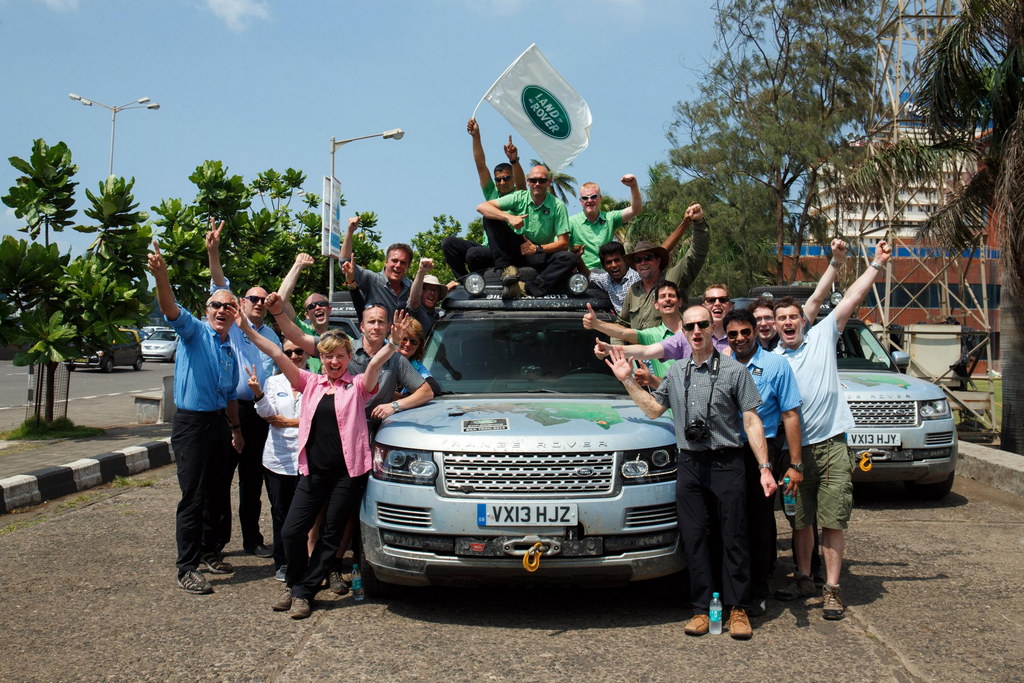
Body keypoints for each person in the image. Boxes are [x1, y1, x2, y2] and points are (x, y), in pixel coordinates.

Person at [604, 306, 776, 640]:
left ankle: (738, 608)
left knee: (734, 535)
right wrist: (627, 379)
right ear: (683, 332)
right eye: (690, 326)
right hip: (690, 464)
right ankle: (701, 609)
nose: (696, 331)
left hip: (728, 462)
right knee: (694, 537)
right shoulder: (676, 371)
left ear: (712, 328)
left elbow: (752, 420)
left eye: (702, 325)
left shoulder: (734, 371)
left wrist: (764, 468)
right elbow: (654, 409)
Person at [237, 310, 410, 619]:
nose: (334, 361)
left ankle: (303, 592)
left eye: (341, 356)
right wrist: (247, 330)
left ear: (348, 358)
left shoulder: (357, 386)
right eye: (329, 356)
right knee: (292, 532)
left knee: (331, 537)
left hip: (347, 474)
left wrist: (392, 344)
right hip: (313, 472)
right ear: (322, 358)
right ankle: (295, 583)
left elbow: (373, 366)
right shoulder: (310, 382)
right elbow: (276, 352)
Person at [774, 239, 893, 620]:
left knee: (833, 521)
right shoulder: (773, 361)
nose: (788, 323)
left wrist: (876, 264)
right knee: (800, 521)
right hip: (795, 454)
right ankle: (803, 579)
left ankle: (832, 589)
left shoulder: (823, 335)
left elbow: (851, 298)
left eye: (793, 317)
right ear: (774, 326)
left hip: (832, 446)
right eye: (781, 319)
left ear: (802, 321)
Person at [147, 241, 243, 595]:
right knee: (194, 495)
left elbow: (230, 396)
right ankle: (186, 567)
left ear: (235, 314)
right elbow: (169, 308)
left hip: (218, 423)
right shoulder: (194, 332)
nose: (222, 310)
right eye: (216, 305)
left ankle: (209, 551)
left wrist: (236, 430)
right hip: (191, 424)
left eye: (229, 306)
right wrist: (161, 277)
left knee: (218, 492)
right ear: (207, 310)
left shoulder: (229, 349)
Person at [722, 308, 803, 616]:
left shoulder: (776, 365)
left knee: (758, 523)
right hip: (727, 450)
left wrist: (795, 464)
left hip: (762, 450)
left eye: (745, 332)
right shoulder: (721, 365)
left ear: (755, 331)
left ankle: (757, 591)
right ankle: (731, 588)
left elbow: (790, 414)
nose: (740, 338)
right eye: (733, 334)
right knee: (730, 523)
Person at [206, 219, 279, 559]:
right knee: (220, 480)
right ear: (242, 303)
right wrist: (214, 251)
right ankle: (215, 545)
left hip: (258, 413)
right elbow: (219, 284)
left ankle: (253, 539)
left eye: (263, 299)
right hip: (229, 410)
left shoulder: (271, 336)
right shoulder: (233, 325)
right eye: (252, 298)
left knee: (253, 481)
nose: (258, 303)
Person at [248, 340, 308, 583]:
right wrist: (258, 393)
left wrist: (291, 422)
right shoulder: (273, 382)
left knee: (305, 514)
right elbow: (268, 414)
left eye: (298, 351)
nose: (293, 356)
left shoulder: (315, 381)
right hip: (278, 459)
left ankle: (304, 560)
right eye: (288, 352)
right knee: (280, 512)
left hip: (305, 458)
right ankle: (282, 561)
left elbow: (317, 418)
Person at [475, 165, 577, 299]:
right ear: (528, 182)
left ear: (549, 182)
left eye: (541, 180)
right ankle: (505, 269)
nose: (537, 184)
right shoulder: (519, 197)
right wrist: (509, 217)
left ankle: (528, 289)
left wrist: (537, 248)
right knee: (489, 218)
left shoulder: (558, 206)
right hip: (516, 247)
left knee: (569, 258)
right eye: (533, 180)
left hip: (538, 252)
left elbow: (563, 243)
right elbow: (482, 207)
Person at [442, 118, 526, 277]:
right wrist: (476, 136)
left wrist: (514, 160)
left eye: (506, 178)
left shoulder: (520, 195)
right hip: (489, 250)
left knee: (475, 251)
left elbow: (522, 184)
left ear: (513, 179)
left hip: (512, 250)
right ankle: (464, 281)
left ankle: (506, 270)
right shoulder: (492, 194)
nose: (502, 182)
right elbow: (480, 165)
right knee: (449, 243)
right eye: (498, 179)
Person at [616, 203, 710, 331]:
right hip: (638, 344)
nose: (643, 262)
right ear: (635, 266)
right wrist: (617, 342)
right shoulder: (633, 291)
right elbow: (623, 323)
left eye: (648, 258)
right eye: (638, 260)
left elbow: (696, 253)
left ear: (658, 260)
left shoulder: (672, 279)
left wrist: (698, 222)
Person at [583, 280, 688, 388]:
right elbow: (626, 334)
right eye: (662, 296)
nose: (667, 299)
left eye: (671, 295)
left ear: (679, 302)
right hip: (667, 397)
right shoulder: (652, 335)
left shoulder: (694, 331)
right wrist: (597, 325)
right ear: (656, 304)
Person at [753, 238, 850, 351]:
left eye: (768, 318)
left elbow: (817, 299)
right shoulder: (744, 348)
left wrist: (836, 260)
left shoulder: (792, 338)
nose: (763, 323)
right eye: (758, 319)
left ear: (775, 322)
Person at [340, 215, 414, 317]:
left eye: (403, 262)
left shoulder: (411, 287)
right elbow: (345, 263)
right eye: (394, 261)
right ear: (386, 262)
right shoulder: (371, 280)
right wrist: (350, 231)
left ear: (408, 266)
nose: (398, 265)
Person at [568, 175, 643, 271]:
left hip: (609, 273)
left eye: (593, 197)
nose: (589, 200)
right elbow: (559, 246)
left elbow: (635, 209)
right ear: (580, 201)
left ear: (600, 198)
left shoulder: (610, 218)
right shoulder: (571, 222)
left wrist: (633, 185)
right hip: (583, 274)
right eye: (585, 198)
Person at [276, 251, 334, 372]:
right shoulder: (300, 330)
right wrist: (298, 265)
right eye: (311, 306)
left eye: (321, 304)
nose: (317, 307)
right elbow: (281, 299)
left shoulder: (341, 338)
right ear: (307, 315)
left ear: (329, 309)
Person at [581, 242, 640, 313]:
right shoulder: (606, 279)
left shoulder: (638, 277)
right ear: (604, 267)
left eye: (617, 260)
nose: (614, 265)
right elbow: (589, 275)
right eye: (609, 262)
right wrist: (578, 257)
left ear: (625, 261)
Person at [393, 317, 441, 398]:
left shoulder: (417, 367)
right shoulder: (383, 356)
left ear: (419, 345)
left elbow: (434, 389)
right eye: (404, 339)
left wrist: (402, 396)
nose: (408, 344)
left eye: (413, 341)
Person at [407, 258, 450, 335]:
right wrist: (421, 271)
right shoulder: (417, 311)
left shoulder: (439, 316)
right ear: (421, 292)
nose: (432, 293)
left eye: (435, 290)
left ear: (439, 295)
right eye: (428, 289)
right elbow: (414, 300)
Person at [702, 284, 734, 354]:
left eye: (723, 300)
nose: (717, 303)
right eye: (711, 300)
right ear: (703, 307)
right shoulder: (689, 336)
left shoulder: (740, 338)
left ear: (730, 306)